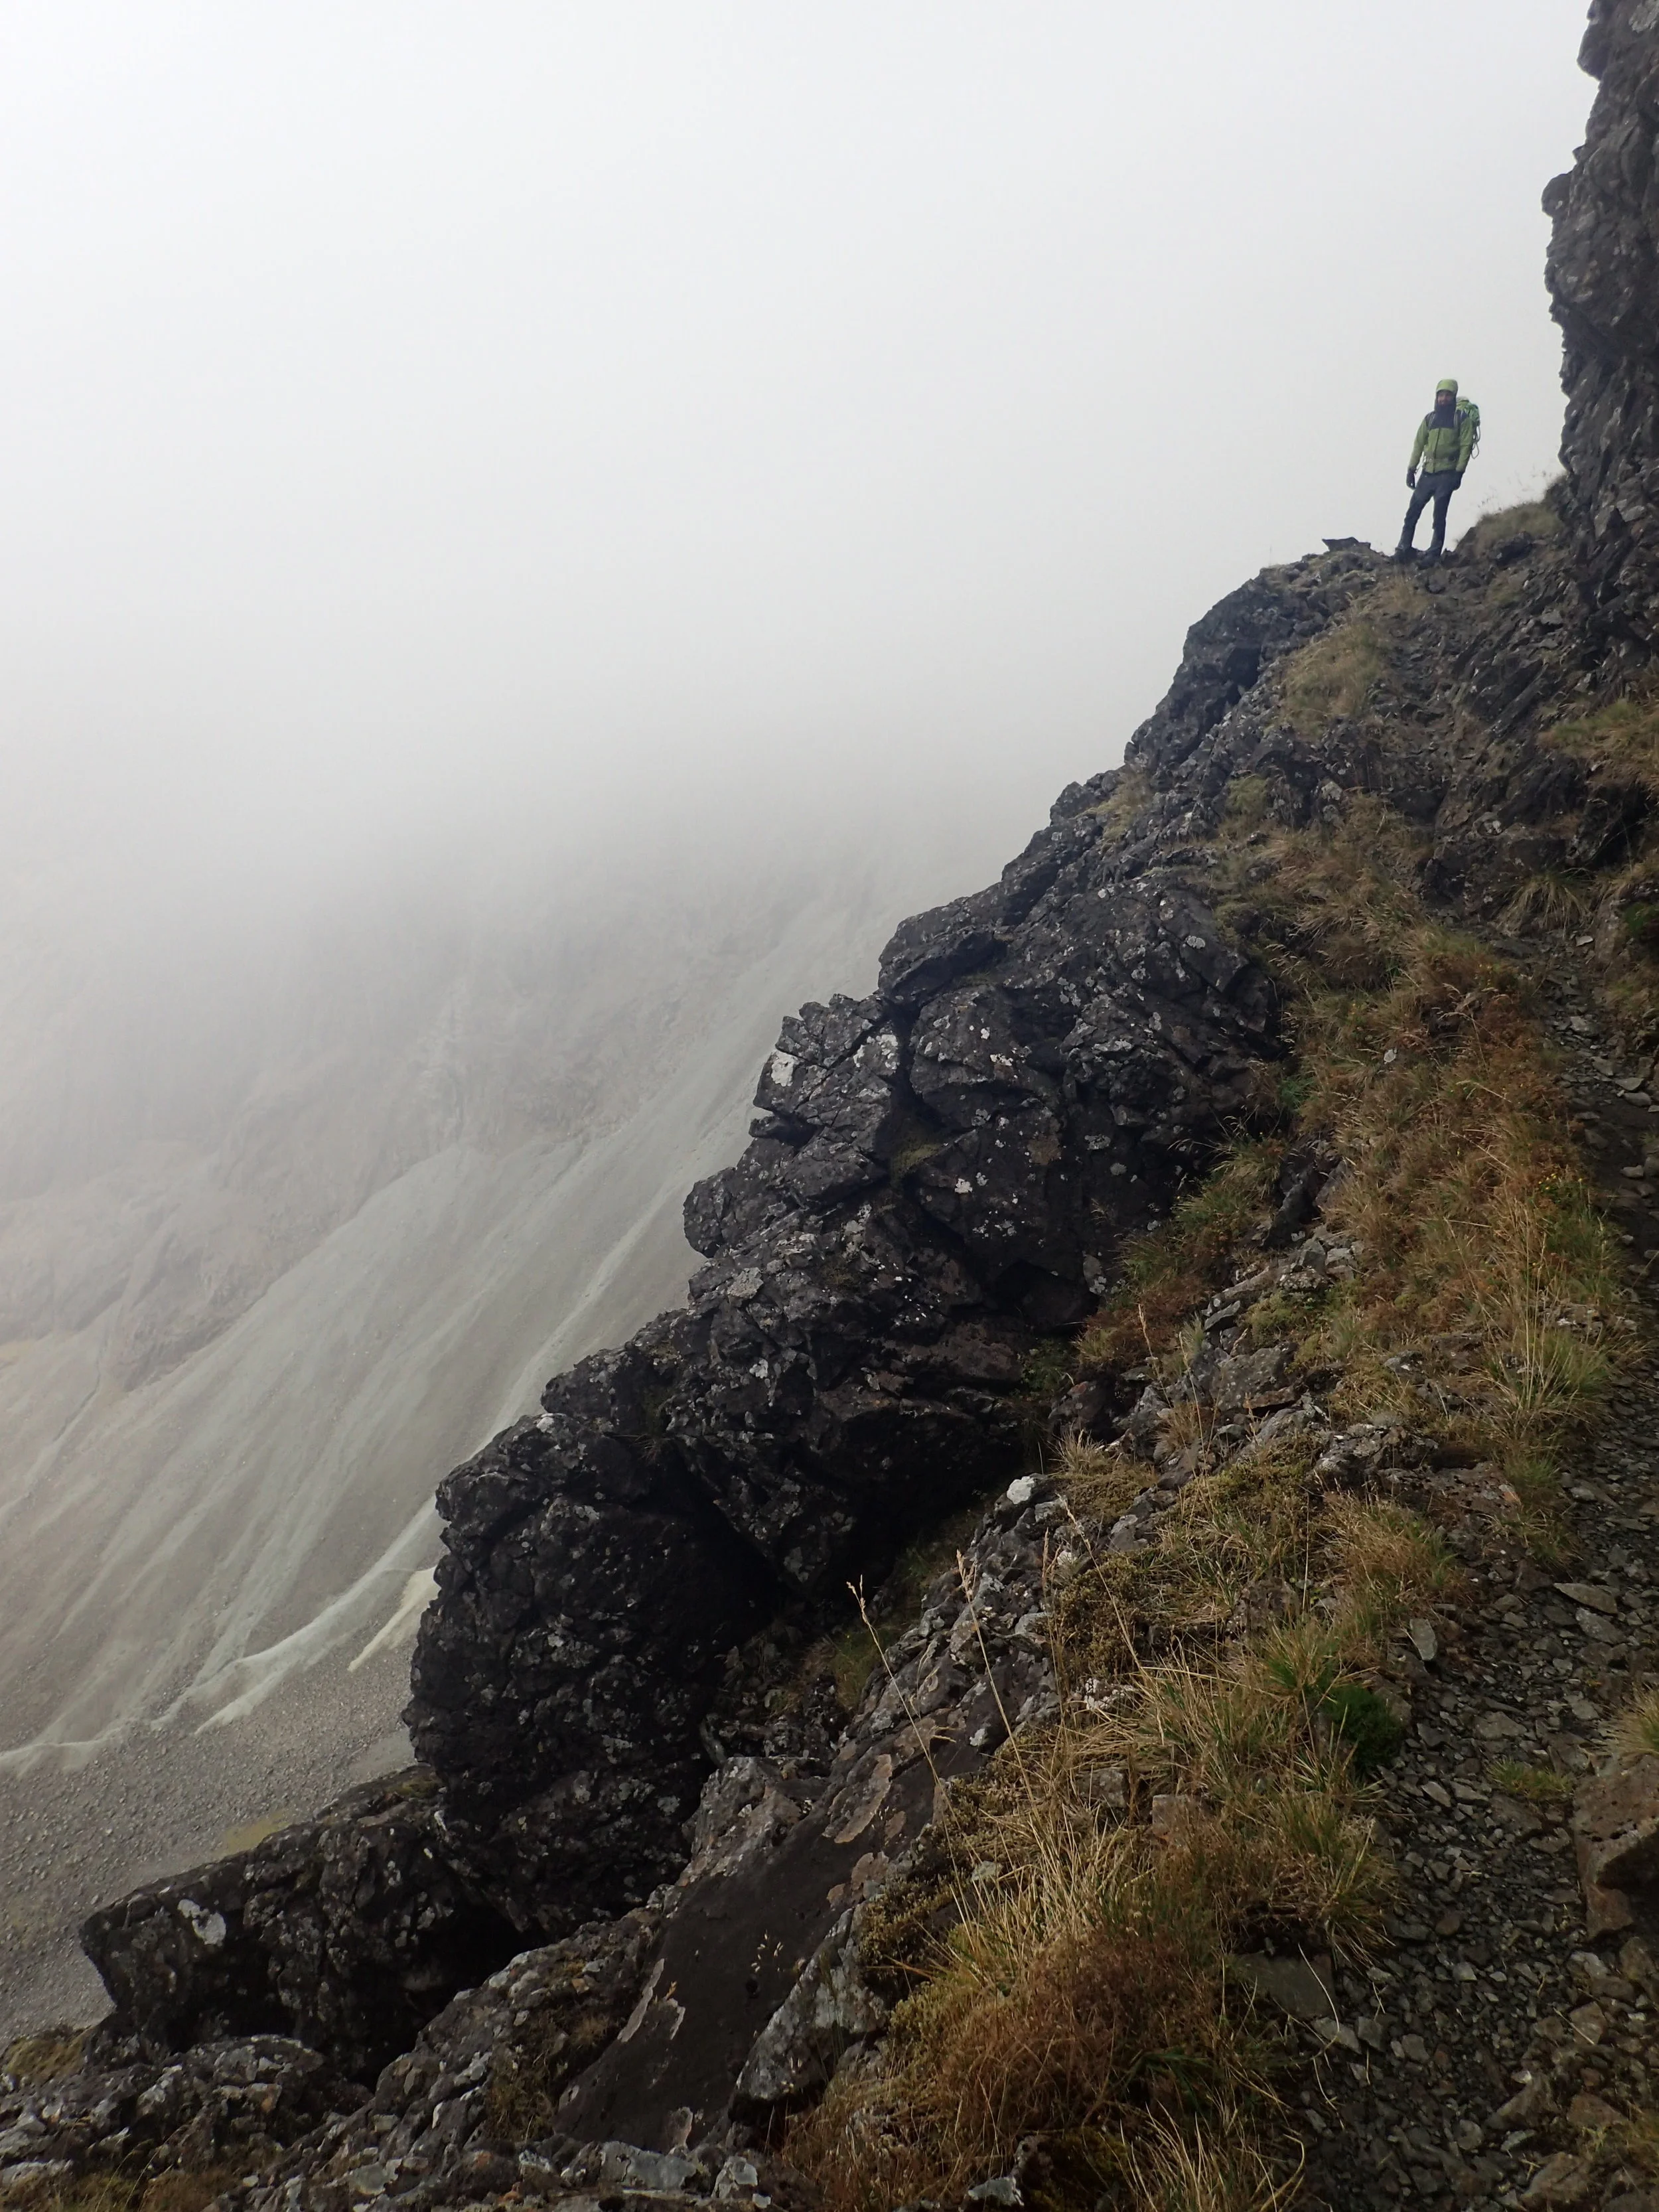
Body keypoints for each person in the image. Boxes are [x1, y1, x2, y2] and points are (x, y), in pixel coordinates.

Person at [1396, 379, 1479, 563]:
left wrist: (1459, 473)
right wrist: (1411, 469)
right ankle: (1403, 549)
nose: (1443, 399)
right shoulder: (1430, 419)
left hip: (1447, 473)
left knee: (1439, 515)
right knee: (1412, 513)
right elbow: (1418, 444)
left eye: (1447, 395)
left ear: (1454, 397)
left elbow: (1466, 446)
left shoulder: (1461, 419)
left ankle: (1434, 553)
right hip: (1427, 473)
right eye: (1440, 395)